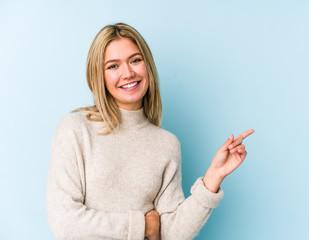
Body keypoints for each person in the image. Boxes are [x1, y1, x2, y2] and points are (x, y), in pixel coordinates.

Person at [46, 22, 254, 240]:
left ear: (147, 65)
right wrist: (144, 226)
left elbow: (171, 233)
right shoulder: (75, 129)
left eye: (135, 60)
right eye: (113, 66)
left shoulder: (166, 144)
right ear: (99, 75)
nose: (128, 73)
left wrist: (213, 177)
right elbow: (65, 223)